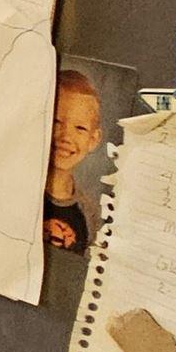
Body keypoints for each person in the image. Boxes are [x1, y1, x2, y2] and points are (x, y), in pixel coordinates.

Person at [44, 70, 104, 254]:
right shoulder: (14, 188)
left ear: (93, 140)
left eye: (80, 128)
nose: (66, 137)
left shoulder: (90, 215)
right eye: (56, 121)